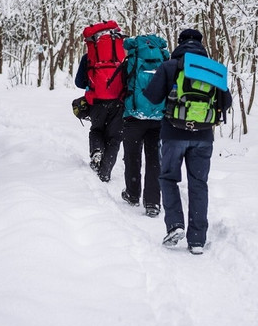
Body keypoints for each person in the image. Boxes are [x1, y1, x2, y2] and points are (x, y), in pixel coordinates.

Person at [143, 28, 232, 255]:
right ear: (202, 45)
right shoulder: (212, 69)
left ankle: (175, 225)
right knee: (198, 184)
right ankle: (197, 240)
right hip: (203, 136)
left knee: (168, 178)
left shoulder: (170, 66)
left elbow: (152, 96)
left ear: (179, 43)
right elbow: (227, 102)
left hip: (173, 133)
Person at [118, 35, 169, 217]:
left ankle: (132, 194)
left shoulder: (131, 60)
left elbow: (121, 85)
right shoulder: (164, 61)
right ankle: (153, 202)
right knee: (154, 160)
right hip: (158, 118)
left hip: (133, 117)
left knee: (132, 156)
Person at [74, 22, 125, 182]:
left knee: (96, 130)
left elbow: (79, 83)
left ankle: (96, 150)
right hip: (118, 101)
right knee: (115, 138)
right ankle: (105, 171)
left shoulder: (89, 57)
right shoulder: (122, 54)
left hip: (96, 102)